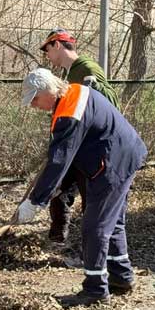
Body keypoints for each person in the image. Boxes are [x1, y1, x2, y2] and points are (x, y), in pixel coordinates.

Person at [15, 68, 147, 305]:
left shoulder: (69, 112)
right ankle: (122, 276)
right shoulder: (74, 93)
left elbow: (59, 159)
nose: (34, 105)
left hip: (113, 162)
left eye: (35, 98)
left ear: (50, 90)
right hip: (123, 153)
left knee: (95, 226)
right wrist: (55, 188)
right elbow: (67, 154)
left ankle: (96, 290)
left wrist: (36, 201)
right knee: (112, 221)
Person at [40, 28, 120, 247]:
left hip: (90, 148)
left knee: (91, 201)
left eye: (47, 49)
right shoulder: (69, 74)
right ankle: (57, 239)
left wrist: (97, 89)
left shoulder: (87, 67)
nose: (47, 55)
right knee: (59, 190)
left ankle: (94, 250)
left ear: (57, 45)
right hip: (74, 146)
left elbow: (111, 103)